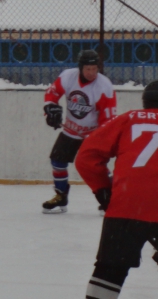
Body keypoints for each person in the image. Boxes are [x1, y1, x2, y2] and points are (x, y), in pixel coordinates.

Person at [75, 80, 158, 299]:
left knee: (109, 270)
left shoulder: (127, 119)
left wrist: (102, 189)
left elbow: (86, 157)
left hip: (126, 205)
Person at [41, 49, 116, 214]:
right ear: (81, 67)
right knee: (57, 160)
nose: (92, 73)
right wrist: (50, 107)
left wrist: (101, 138)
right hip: (71, 130)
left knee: (96, 167)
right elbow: (52, 93)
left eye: (95, 69)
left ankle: (111, 199)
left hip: (93, 134)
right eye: (88, 69)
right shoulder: (68, 76)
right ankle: (61, 196)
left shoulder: (104, 86)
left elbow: (108, 119)